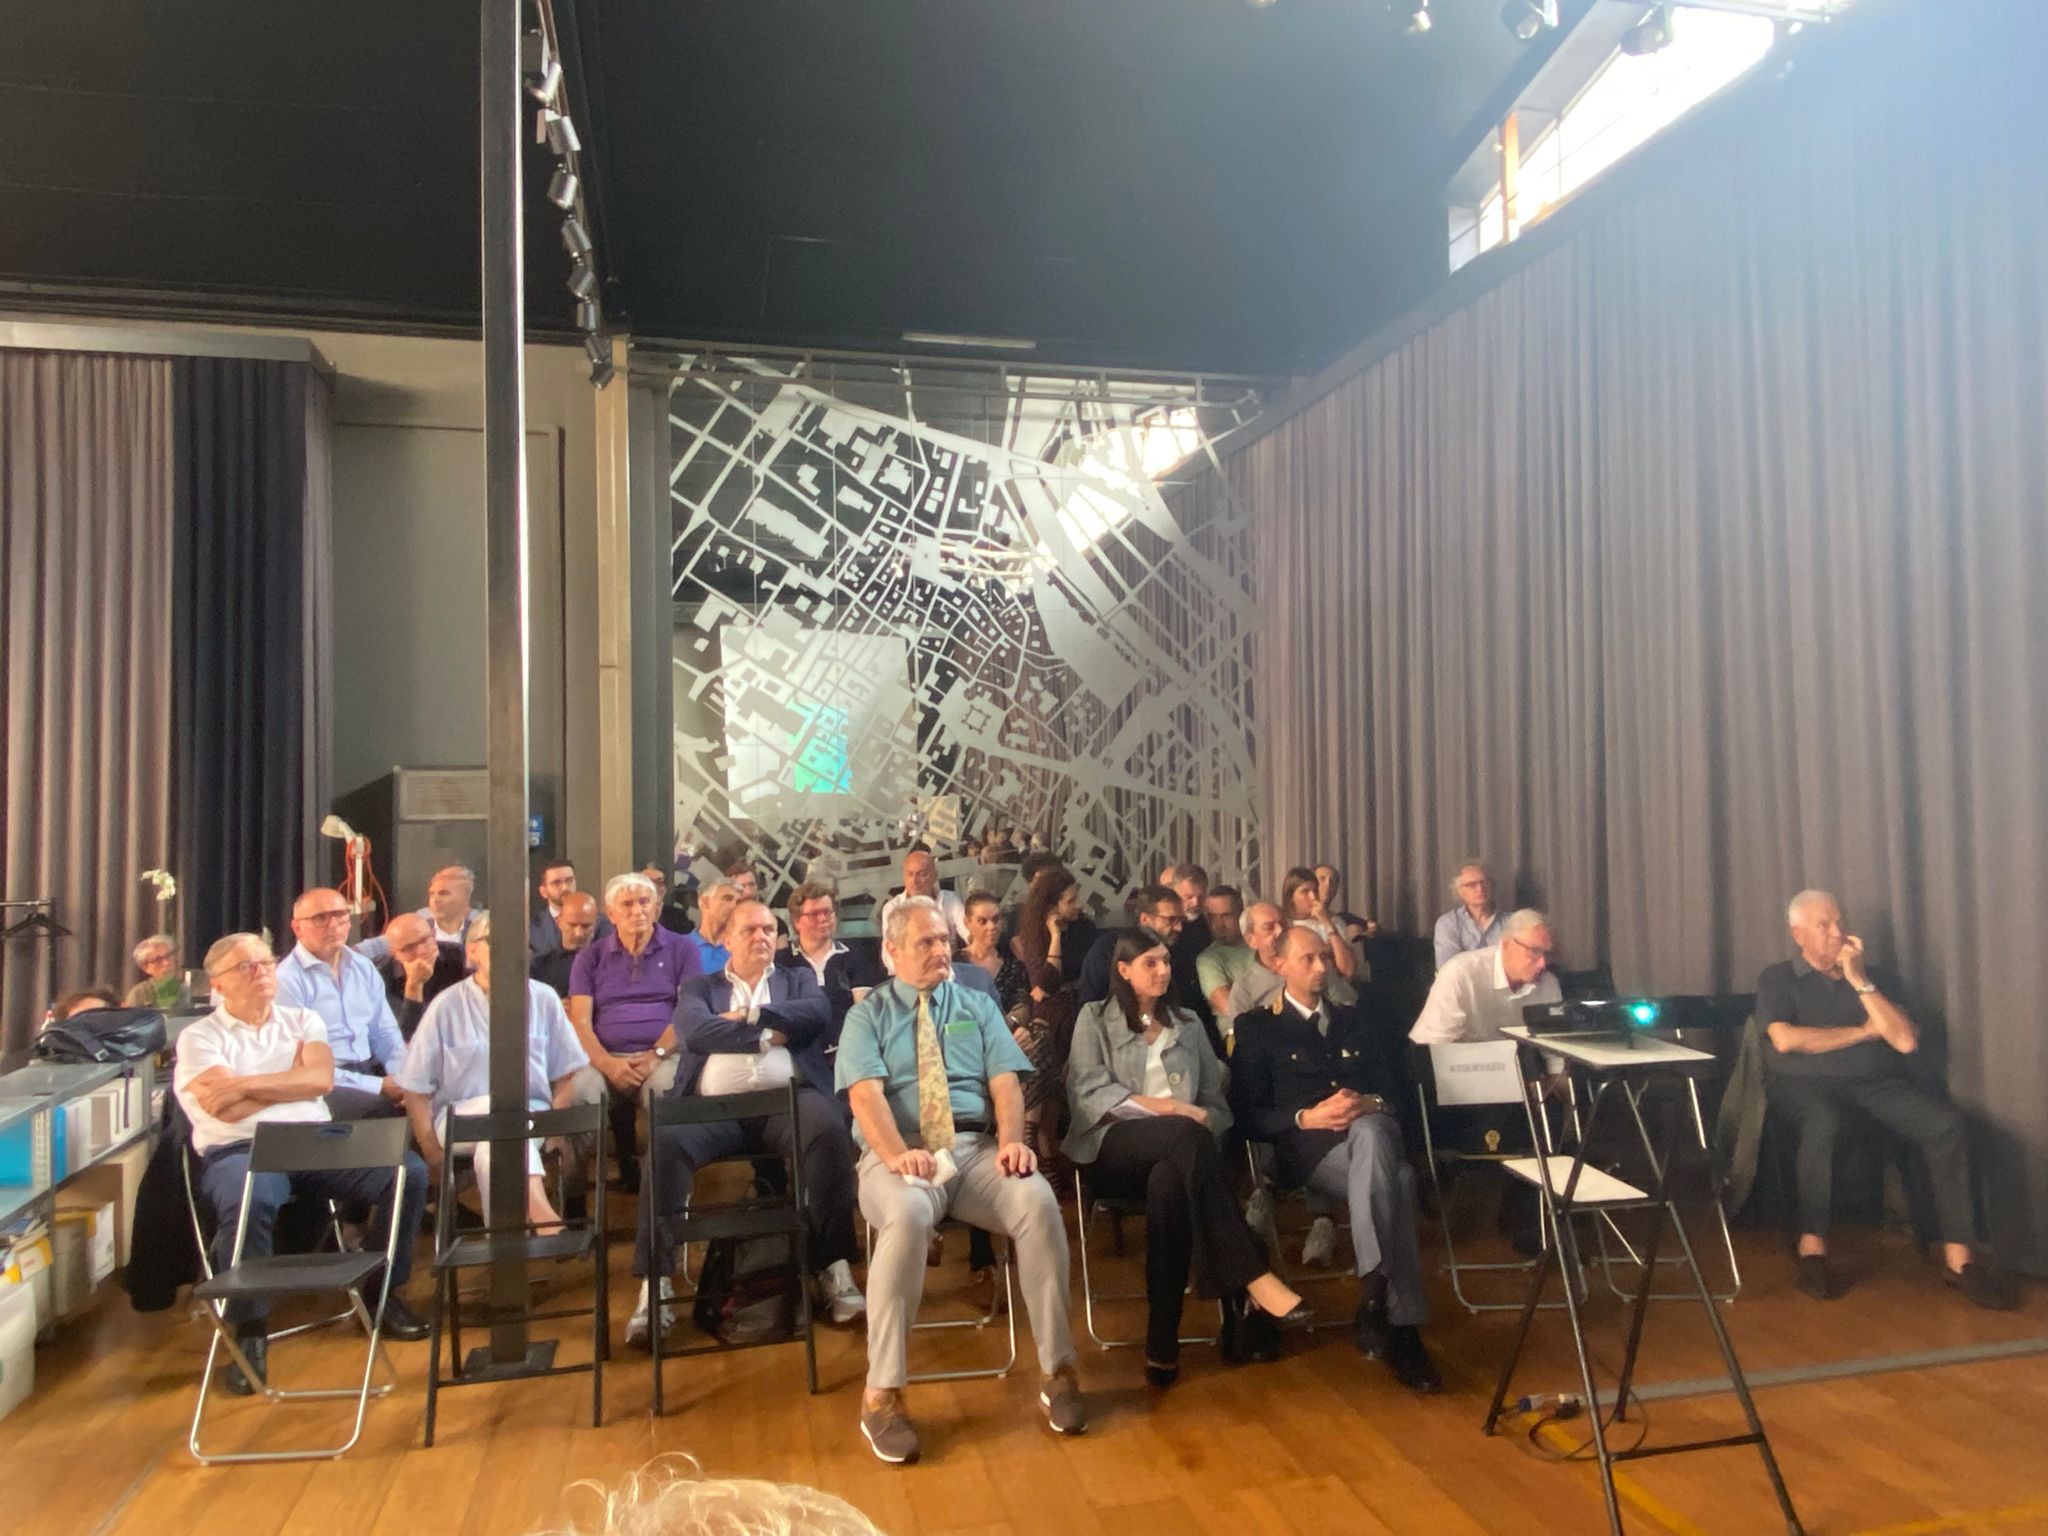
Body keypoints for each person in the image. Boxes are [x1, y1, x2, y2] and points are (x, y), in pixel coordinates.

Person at [838, 897, 1085, 1463]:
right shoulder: (868, 1015)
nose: (940, 950)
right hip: (895, 1152)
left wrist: (1013, 1141)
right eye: (925, 942)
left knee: (1038, 1201)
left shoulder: (976, 1004)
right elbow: (865, 1097)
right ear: (892, 951)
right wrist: (900, 1155)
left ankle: (1060, 1370)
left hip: (974, 1150)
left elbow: (1005, 1082)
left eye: (943, 941)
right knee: (908, 1214)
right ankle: (882, 1394)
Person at [174, 932, 429, 1394]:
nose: (262, 973)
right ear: (218, 983)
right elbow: (223, 1109)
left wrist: (245, 1084)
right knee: (247, 1200)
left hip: (314, 1142)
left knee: (407, 1172)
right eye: (246, 967)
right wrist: (290, 1081)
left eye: (266, 963)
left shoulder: (302, 1020)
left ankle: (382, 1292)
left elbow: (321, 1080)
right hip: (243, 1149)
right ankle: (250, 1331)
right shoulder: (199, 1037)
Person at [1065, 930, 1310, 1384]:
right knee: (1183, 1134)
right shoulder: (1094, 1018)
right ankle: (1251, 1274)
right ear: (1123, 970)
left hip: (1183, 1159)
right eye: (1150, 963)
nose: (1163, 971)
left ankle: (1162, 1343)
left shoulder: (1189, 1023)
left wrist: (1197, 1122)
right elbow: (1088, 1095)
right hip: (1112, 1147)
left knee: (1169, 1185)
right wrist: (1171, 1110)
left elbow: (1214, 1104)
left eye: (1166, 961)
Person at [1760, 890, 2016, 1309]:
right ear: (1798, 934)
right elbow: (1786, 1040)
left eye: (1839, 922)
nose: (1837, 932)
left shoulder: (1875, 978)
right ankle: (1812, 1250)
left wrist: (1859, 980)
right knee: (1824, 1122)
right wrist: (1863, 1032)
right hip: (1804, 1087)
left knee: (1946, 1126)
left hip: (1876, 1086)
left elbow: (1904, 1041)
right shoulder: (1778, 978)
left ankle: (1960, 1260)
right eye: (1824, 925)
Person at [629, 897, 865, 1345]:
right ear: (726, 939)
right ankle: (655, 1283)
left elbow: (815, 1014)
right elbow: (694, 1031)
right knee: (664, 1144)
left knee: (830, 1129)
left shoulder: (797, 979)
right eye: (750, 930)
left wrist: (748, 1016)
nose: (761, 937)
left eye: (768, 930)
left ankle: (832, 1266)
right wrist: (766, 1037)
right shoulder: (700, 987)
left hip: (787, 1102)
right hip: (711, 1110)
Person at [1230, 927, 1439, 1392]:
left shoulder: (1356, 1019)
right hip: (1310, 1153)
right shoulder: (1258, 1027)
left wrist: (1369, 1103)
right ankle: (1400, 1326)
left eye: (1325, 957)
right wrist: (1305, 1117)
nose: (1321, 967)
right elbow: (1245, 1115)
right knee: (1400, 1181)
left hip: (1372, 1140)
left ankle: (1377, 1299)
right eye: (1308, 958)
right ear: (1278, 965)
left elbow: (1397, 1096)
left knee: (1373, 1133)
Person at [394, 913, 588, 1229]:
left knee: (493, 1146)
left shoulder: (544, 998)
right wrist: (429, 1147)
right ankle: (543, 1217)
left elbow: (566, 1074)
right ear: (472, 950)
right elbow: (415, 1087)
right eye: (495, 942)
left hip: (532, 1116)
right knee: (497, 1111)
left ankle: (503, 1244)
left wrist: (554, 1128)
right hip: (459, 1121)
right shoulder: (446, 1005)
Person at [567, 872, 704, 1188]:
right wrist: (607, 1063)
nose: (637, 910)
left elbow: (688, 1013)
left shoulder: (683, 949)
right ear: (611, 913)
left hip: (662, 1056)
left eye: (645, 902)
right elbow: (580, 1022)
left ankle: (662, 1195)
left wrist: (656, 1054)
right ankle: (572, 1198)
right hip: (603, 1060)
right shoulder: (590, 957)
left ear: (657, 908)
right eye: (627, 904)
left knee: (666, 1094)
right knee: (577, 1096)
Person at [274, 887, 407, 1120]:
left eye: (340, 915)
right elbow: (298, 1062)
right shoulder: (286, 979)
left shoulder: (363, 966)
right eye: (320, 918)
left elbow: (384, 1032)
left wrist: (403, 1077)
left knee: (428, 1096)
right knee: (380, 1110)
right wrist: (377, 1086)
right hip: (325, 1080)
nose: (333, 925)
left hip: (370, 1068)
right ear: (297, 928)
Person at [1007, 867, 1086, 1165]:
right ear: (1052, 906)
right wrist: (1054, 936)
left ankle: (1041, 1145)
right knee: (1041, 1044)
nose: (1078, 905)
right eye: (1070, 900)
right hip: (1049, 1014)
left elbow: (1047, 986)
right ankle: (1031, 1139)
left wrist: (1047, 986)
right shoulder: (1034, 932)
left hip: (1073, 1010)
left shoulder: (1084, 929)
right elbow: (1046, 981)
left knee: (1053, 1079)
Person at [1408, 908, 1562, 1044]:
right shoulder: (1461, 974)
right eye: (1534, 951)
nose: (1542, 963)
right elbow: (1434, 1046)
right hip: (1458, 1062)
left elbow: (1553, 1052)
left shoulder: (1549, 984)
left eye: (1547, 954)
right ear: (1506, 944)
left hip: (1515, 1064)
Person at [776, 880, 882, 1032]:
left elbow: (864, 1015)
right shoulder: (781, 962)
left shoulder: (854, 957)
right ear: (796, 922)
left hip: (844, 1042)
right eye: (814, 914)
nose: (822, 919)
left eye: (827, 912)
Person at [1077, 884, 1189, 1007]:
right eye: (1171, 920)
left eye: (1181, 920)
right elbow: (1091, 1001)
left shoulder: (1179, 948)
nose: (1179, 928)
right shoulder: (1109, 948)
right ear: (1145, 919)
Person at [356, 863, 483, 964]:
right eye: (432, 894)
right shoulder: (420, 920)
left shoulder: (482, 924)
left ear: (465, 896)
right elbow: (377, 946)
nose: (435, 900)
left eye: (444, 893)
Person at [370, 911, 469, 1039]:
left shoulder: (458, 955)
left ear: (433, 935)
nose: (421, 951)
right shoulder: (379, 977)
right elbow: (403, 1039)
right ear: (395, 954)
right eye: (409, 948)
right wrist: (414, 985)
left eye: (424, 940)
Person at [877, 847, 967, 973]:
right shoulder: (893, 908)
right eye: (910, 874)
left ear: (935, 876)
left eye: (922, 874)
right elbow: (889, 954)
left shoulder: (950, 900)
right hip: (909, 975)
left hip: (946, 972)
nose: (915, 881)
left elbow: (969, 933)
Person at [1279, 866, 1361, 984]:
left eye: (1315, 891)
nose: (1313, 897)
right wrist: (1325, 950)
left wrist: (1326, 922)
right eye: (1305, 892)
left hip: (1334, 987)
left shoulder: (1335, 922)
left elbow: (1348, 970)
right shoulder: (1282, 925)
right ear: (1291, 896)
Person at [1194, 886, 1256, 1025]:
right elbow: (1229, 1007)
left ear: (1241, 914)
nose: (1218, 925)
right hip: (1237, 1032)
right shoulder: (1208, 959)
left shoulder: (1260, 945)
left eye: (1226, 916)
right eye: (1212, 917)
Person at [529, 859, 610, 955]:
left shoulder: (602, 923)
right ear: (544, 892)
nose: (565, 888)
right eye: (556, 883)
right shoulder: (532, 929)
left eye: (569, 880)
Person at [1433, 861, 1504, 968]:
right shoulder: (1448, 923)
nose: (1480, 889)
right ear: (1459, 891)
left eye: (1484, 883)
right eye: (1471, 885)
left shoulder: (1512, 922)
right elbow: (1448, 969)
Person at [533, 890, 602, 998]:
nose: (579, 933)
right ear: (559, 921)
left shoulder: (608, 965)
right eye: (572, 925)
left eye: (586, 926)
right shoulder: (539, 968)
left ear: (595, 923)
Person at [682, 881, 740, 974]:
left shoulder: (741, 947)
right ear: (705, 902)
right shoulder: (680, 947)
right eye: (727, 899)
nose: (734, 906)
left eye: (738, 902)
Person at [1314, 864, 1375, 945]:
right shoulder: (1299, 921)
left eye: (1332, 881)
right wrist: (1344, 938)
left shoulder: (1344, 918)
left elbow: (1374, 927)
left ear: (1336, 889)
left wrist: (1365, 933)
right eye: (1322, 879)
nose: (1328, 885)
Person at [124, 933, 180, 1007]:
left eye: (168, 955)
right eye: (158, 959)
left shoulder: (189, 984)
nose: (166, 963)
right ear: (146, 968)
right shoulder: (140, 993)